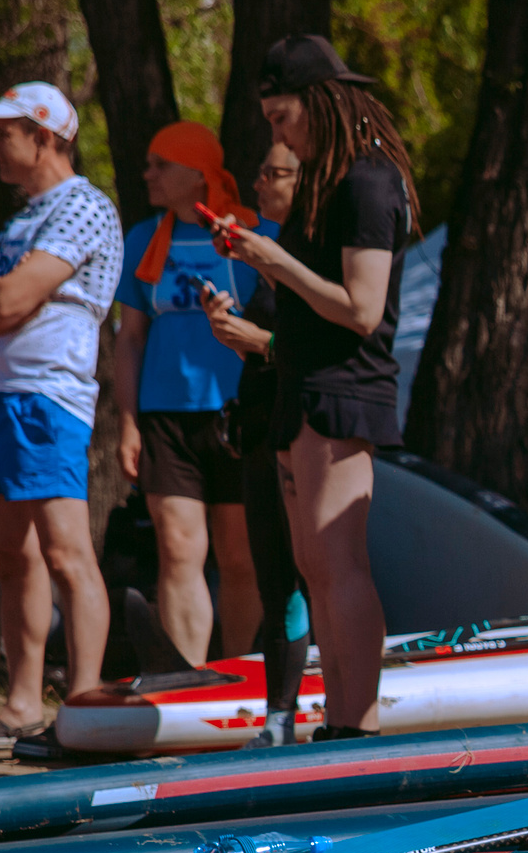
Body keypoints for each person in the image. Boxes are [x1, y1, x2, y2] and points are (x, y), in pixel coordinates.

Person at [216, 37, 418, 740]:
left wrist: (274, 259)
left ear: (320, 103)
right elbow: (316, 295)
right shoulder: (330, 183)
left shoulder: (368, 180)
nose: (279, 135)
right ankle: (338, 719)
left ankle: (356, 725)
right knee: (313, 564)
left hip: (343, 389)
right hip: (299, 385)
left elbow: (362, 308)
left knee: (337, 562)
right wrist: (262, 261)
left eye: (283, 118)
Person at [0, 81, 123, 752]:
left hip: (49, 398)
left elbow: (2, 302)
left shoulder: (84, 206)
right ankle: (21, 703)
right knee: (12, 557)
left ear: (44, 136)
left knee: (65, 552)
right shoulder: (22, 218)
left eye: (4, 133)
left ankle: (83, 705)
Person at [115, 121, 266, 669]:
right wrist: (128, 423)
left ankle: (241, 675)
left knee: (241, 556)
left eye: (161, 164)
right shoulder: (143, 238)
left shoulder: (255, 236)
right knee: (178, 550)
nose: (148, 174)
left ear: (199, 174)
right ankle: (190, 681)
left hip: (239, 412)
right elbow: (130, 339)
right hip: (165, 416)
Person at [202, 142, 311, 746]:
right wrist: (235, 331)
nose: (260, 181)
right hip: (259, 425)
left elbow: (327, 338)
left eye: (275, 173)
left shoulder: (319, 250)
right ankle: (278, 718)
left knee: (307, 574)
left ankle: (321, 714)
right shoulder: (274, 247)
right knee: (274, 576)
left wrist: (259, 341)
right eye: (260, 170)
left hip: (304, 427)